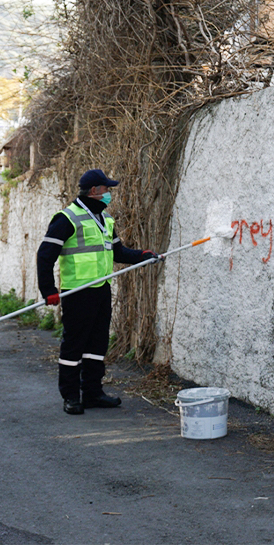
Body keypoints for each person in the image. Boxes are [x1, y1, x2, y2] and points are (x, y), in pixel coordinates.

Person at [37, 169, 162, 415]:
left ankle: (93, 393)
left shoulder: (105, 220)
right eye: (107, 190)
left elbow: (118, 253)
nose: (109, 194)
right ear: (94, 191)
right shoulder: (67, 218)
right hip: (77, 292)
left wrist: (142, 256)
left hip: (101, 290)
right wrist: (48, 290)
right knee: (74, 346)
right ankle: (71, 397)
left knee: (97, 345)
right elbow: (45, 255)